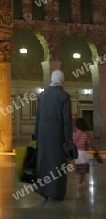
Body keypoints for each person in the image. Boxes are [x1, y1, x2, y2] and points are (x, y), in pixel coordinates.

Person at [35, 70, 73, 200]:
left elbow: (38, 117)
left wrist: (37, 135)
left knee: (44, 161)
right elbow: (67, 120)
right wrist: (68, 140)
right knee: (57, 162)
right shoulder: (64, 96)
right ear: (62, 79)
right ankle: (56, 191)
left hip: (43, 132)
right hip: (57, 132)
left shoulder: (43, 94)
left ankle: (44, 190)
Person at [73, 117, 96, 190]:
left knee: (80, 170)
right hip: (83, 153)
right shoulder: (86, 134)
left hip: (76, 153)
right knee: (83, 170)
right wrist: (95, 149)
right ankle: (79, 184)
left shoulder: (74, 134)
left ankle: (82, 183)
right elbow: (89, 143)